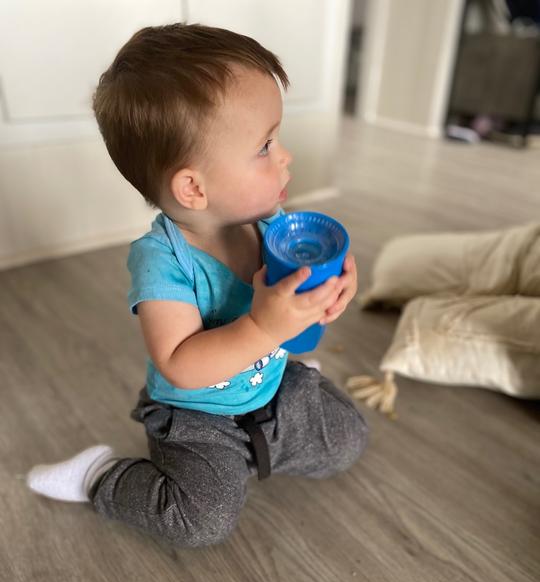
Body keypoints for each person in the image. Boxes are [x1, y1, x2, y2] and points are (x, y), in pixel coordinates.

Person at [26, 23, 368, 548]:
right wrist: (264, 328)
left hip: (268, 381)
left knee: (349, 438)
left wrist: (332, 289)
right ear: (193, 187)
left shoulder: (269, 223)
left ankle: (263, 429)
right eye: (265, 146)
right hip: (197, 414)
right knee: (201, 520)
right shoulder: (162, 261)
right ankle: (100, 477)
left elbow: (301, 289)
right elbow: (181, 365)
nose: (286, 157)